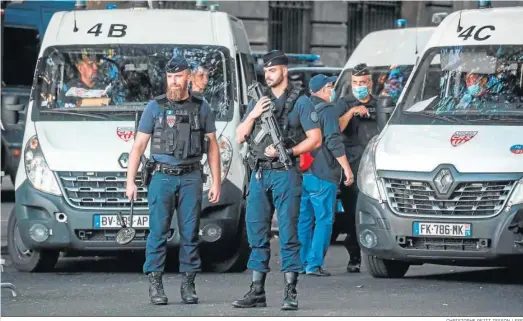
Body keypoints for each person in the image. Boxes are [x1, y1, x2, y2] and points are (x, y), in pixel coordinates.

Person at [125, 56, 222, 305]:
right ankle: (155, 283)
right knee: (158, 232)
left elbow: (212, 147)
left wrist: (216, 182)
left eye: (178, 76)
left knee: (190, 233)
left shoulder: (201, 107)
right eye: (170, 77)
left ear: (188, 77)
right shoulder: (154, 107)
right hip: (161, 177)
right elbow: (138, 146)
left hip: (191, 177)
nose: (174, 81)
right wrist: (130, 181)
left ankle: (188, 283)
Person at [232, 50, 322, 310]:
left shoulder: (301, 102)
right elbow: (239, 137)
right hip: (260, 172)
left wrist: (290, 151)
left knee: (288, 232)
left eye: (272, 70)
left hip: (285, 172)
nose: (267, 75)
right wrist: (253, 113)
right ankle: (257, 291)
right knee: (256, 231)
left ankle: (290, 291)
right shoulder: (259, 100)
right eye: (265, 71)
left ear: (284, 70)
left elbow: (315, 138)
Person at [297, 74, 354, 277]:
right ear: (321, 90)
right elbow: (333, 141)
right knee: (323, 220)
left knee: (304, 219)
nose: (332, 90)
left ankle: (302, 262)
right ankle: (314, 265)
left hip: (303, 172)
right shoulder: (327, 110)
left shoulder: (302, 106)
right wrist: (346, 168)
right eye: (330, 87)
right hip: (323, 172)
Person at [335, 63, 376, 273]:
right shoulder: (344, 103)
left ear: (370, 83)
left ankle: (375, 254)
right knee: (352, 214)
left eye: (362, 83)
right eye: (355, 83)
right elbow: (337, 128)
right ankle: (354, 256)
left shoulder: (379, 103)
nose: (359, 86)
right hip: (351, 167)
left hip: (372, 168)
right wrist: (352, 111)